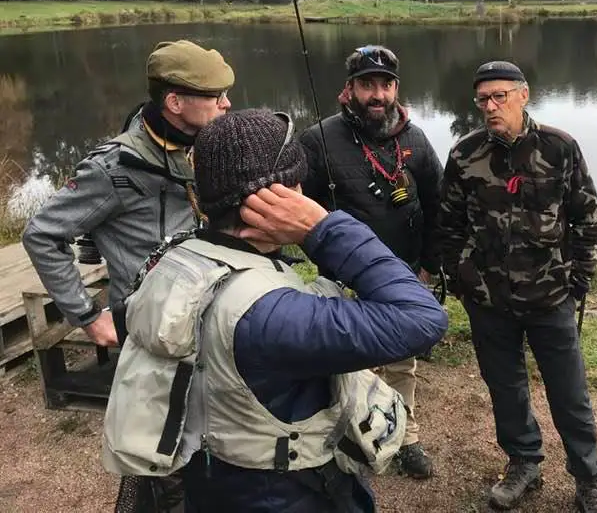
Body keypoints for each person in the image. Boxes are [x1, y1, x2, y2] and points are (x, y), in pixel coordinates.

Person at [101, 108, 449, 512]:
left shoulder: (177, 261)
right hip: (288, 495)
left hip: (212, 480)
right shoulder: (272, 315)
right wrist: (322, 228)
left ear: (200, 197)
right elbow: (423, 317)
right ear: (291, 194)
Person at [437, 60, 597, 513]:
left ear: (523, 94)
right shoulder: (465, 155)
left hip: (551, 296)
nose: (490, 106)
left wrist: (579, 281)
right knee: (505, 387)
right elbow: (449, 227)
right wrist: (463, 280)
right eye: (482, 99)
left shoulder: (559, 148)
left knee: (569, 391)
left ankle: (589, 478)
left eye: (499, 96)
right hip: (489, 299)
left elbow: (588, 218)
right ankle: (524, 464)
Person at [22, 38, 234, 347]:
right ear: (175, 103)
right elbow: (42, 234)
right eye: (216, 96)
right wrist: (89, 318)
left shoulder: (197, 142)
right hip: (152, 325)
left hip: (205, 307)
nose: (226, 104)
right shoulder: (112, 168)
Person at [299, 43, 445, 479]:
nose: (377, 94)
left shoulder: (415, 139)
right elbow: (300, 211)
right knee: (348, 361)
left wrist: (429, 265)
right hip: (343, 276)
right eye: (367, 85)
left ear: (396, 88)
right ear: (350, 90)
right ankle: (351, 439)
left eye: (385, 84)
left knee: (402, 362)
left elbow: (438, 205)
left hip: (403, 272)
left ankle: (406, 437)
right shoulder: (317, 139)